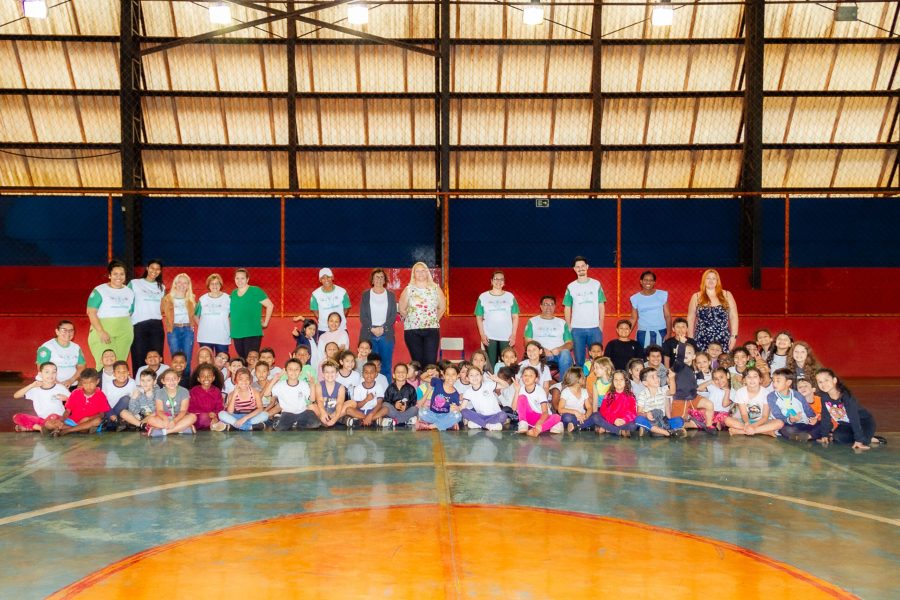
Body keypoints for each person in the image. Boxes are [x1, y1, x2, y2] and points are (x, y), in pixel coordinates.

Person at [815, 369, 886, 449]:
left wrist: (859, 440)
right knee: (838, 437)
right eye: (820, 382)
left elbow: (854, 418)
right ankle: (862, 436)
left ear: (834, 380)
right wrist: (824, 435)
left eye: (826, 380)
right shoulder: (824, 397)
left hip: (863, 422)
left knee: (862, 442)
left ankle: (867, 438)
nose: (823, 384)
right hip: (846, 425)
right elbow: (825, 416)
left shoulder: (846, 397)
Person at [87, 260, 135, 367]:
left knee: (120, 365)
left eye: (122, 274)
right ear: (109, 275)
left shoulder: (129, 292)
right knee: (104, 364)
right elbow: (91, 312)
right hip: (104, 330)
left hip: (124, 332)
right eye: (115, 274)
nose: (119, 277)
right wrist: (101, 331)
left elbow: (130, 312)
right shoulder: (100, 290)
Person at [398, 262, 446, 366]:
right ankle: (420, 382)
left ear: (427, 272)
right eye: (417, 271)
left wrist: (434, 319)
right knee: (417, 363)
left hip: (431, 330)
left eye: (423, 270)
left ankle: (429, 382)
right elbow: (402, 309)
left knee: (430, 362)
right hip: (412, 331)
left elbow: (442, 307)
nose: (420, 273)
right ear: (413, 273)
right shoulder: (408, 289)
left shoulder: (435, 289)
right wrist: (412, 318)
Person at [563, 256, 606, 367]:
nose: (580, 268)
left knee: (597, 360)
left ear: (587, 267)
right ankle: (580, 383)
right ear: (574, 269)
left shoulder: (596, 284)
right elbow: (567, 307)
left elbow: (601, 304)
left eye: (583, 266)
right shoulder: (571, 287)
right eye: (578, 267)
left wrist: (600, 325)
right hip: (577, 329)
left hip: (595, 328)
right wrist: (569, 326)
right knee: (579, 361)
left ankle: (596, 382)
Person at [42, 369, 108, 437]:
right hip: (72, 422)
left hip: (88, 422)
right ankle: (80, 429)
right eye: (85, 383)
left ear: (97, 381)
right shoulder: (75, 393)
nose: (88, 386)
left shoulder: (101, 395)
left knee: (98, 421)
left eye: (91, 382)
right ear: (81, 383)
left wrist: (89, 418)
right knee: (48, 424)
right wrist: (62, 420)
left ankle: (67, 430)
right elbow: (67, 411)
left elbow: (101, 414)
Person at [359, 268, 398, 381]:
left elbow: (393, 314)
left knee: (386, 366)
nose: (379, 279)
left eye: (382, 277)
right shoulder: (366, 295)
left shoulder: (391, 295)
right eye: (377, 277)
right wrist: (372, 328)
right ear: (372, 280)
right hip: (369, 333)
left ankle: (387, 393)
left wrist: (383, 328)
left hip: (386, 334)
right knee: (370, 365)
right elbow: (363, 315)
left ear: (385, 280)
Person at [474, 271, 520, 367]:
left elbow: (515, 317)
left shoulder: (510, 297)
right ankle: (492, 381)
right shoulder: (483, 297)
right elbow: (479, 317)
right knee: (491, 363)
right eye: (496, 279)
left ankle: (506, 381)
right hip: (489, 336)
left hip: (506, 336)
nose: (499, 281)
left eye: (501, 279)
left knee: (507, 363)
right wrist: (482, 335)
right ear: (491, 281)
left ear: (504, 282)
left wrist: (514, 335)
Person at [687, 269, 739, 352]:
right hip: (701, 337)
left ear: (717, 281)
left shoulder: (727, 294)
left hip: (723, 337)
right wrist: (690, 339)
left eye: (714, 278)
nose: (711, 281)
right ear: (704, 280)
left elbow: (733, 317)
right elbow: (690, 318)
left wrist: (734, 336)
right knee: (702, 363)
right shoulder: (696, 296)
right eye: (708, 278)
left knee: (722, 363)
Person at [667, 344, 715, 432]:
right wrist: (681, 344)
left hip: (693, 396)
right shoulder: (678, 366)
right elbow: (679, 359)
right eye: (683, 352)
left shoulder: (691, 369)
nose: (685, 354)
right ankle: (669, 425)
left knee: (709, 404)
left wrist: (700, 374)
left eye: (689, 353)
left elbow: (691, 378)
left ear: (693, 357)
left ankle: (709, 426)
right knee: (676, 423)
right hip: (681, 399)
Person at [128, 260, 165, 371]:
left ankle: (159, 385)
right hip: (139, 325)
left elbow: (163, 308)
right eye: (152, 268)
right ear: (147, 268)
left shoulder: (162, 287)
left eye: (157, 269)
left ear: (160, 271)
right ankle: (139, 384)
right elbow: (128, 303)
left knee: (156, 357)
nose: (154, 271)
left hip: (156, 325)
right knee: (139, 356)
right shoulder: (134, 283)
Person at [524, 295, 574, 377]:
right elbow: (527, 342)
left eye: (551, 304)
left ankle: (564, 386)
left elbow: (570, 343)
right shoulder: (532, 321)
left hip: (558, 355)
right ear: (541, 306)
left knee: (565, 353)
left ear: (554, 306)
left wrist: (559, 349)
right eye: (546, 304)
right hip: (539, 355)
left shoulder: (562, 323)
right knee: (533, 352)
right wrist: (542, 350)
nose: (548, 307)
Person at [229, 268, 274, 359]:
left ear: (247, 279)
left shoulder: (255, 291)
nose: (239, 281)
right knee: (242, 360)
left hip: (252, 332)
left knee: (251, 360)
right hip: (237, 333)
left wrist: (265, 323)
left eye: (242, 278)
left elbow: (270, 305)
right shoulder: (233, 293)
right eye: (237, 278)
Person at [12, 362, 69, 432]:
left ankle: (34, 428)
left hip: (57, 418)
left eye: (53, 372)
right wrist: (31, 385)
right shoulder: (35, 389)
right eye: (47, 372)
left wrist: (67, 399)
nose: (50, 375)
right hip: (41, 420)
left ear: (56, 374)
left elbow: (75, 401)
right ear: (40, 374)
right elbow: (16, 395)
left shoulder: (60, 388)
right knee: (17, 417)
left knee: (53, 416)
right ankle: (41, 428)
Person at [725, 368, 782, 437]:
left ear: (760, 379)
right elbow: (743, 413)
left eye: (755, 376)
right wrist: (747, 423)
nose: (752, 379)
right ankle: (764, 432)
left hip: (761, 422)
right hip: (745, 421)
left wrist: (753, 426)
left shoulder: (766, 393)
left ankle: (741, 431)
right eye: (749, 377)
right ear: (744, 380)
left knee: (779, 423)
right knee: (727, 420)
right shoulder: (740, 392)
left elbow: (765, 416)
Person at [267, 359, 321, 431]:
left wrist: (312, 385)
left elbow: (312, 400)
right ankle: (278, 417)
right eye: (290, 369)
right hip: (288, 412)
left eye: (296, 369)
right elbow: (266, 394)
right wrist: (274, 379)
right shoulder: (280, 385)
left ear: (300, 372)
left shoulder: (303, 384)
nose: (293, 372)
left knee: (316, 424)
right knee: (279, 428)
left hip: (303, 412)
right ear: (286, 372)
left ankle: (296, 422)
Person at [161, 273, 197, 377]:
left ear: (188, 285)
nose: (182, 285)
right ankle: (175, 381)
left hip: (187, 330)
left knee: (187, 357)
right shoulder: (167, 298)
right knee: (175, 358)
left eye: (185, 283)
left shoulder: (191, 299)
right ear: (175, 284)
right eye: (179, 282)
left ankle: (186, 383)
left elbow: (195, 314)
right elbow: (161, 311)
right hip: (173, 329)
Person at [767, 368, 819, 441]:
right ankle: (812, 435)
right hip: (788, 425)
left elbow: (807, 409)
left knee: (822, 424)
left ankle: (806, 436)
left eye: (778, 381)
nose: (774, 384)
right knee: (787, 430)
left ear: (788, 383)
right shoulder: (771, 397)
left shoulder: (797, 395)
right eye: (773, 381)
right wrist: (790, 420)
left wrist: (813, 418)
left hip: (804, 423)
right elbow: (777, 415)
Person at [635, 368, 685, 438]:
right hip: (650, 420)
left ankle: (654, 430)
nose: (657, 378)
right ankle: (667, 433)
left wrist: (672, 378)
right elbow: (639, 412)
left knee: (680, 420)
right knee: (639, 419)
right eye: (652, 377)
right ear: (645, 383)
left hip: (662, 420)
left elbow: (672, 392)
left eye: (657, 376)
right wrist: (646, 414)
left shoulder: (663, 390)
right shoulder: (643, 394)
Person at [513, 367, 563, 436]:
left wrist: (539, 424)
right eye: (525, 375)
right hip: (528, 418)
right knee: (522, 397)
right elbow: (513, 408)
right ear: (521, 377)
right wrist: (516, 391)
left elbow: (545, 412)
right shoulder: (520, 389)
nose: (527, 377)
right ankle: (523, 424)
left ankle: (537, 430)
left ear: (536, 379)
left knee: (557, 417)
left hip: (541, 417)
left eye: (531, 375)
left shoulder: (540, 391)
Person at [146, 369, 197, 436]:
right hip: (164, 418)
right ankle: (181, 429)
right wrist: (165, 419)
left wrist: (174, 421)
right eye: (168, 379)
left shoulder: (184, 391)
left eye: (174, 379)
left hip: (179, 417)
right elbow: (159, 410)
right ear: (163, 381)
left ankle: (165, 432)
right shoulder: (159, 392)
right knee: (150, 419)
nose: (171, 381)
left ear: (178, 379)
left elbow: (183, 410)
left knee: (193, 417)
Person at [35, 320, 85, 389]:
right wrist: (57, 383)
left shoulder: (76, 347)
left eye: (71, 330)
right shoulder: (47, 347)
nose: (68, 333)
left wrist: (71, 380)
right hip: (49, 384)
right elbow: (41, 367)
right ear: (57, 331)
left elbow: (82, 367)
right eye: (64, 330)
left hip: (71, 385)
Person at [459, 364, 509, 431]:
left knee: (503, 415)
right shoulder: (468, 392)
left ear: (481, 376)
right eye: (471, 375)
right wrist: (458, 409)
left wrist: (497, 379)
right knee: (464, 412)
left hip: (495, 415)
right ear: (467, 378)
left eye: (477, 374)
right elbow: (462, 407)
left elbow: (506, 385)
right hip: (481, 416)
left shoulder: (488, 385)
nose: (474, 377)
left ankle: (480, 424)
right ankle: (488, 425)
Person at [629, 270, 671, 348]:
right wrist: (626, 332)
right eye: (645, 280)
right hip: (643, 332)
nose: (648, 282)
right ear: (641, 281)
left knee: (660, 356)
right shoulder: (635, 298)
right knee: (644, 356)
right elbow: (633, 318)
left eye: (651, 280)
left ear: (654, 282)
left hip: (661, 331)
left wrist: (669, 333)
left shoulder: (662, 295)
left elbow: (667, 316)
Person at [219, 367, 269, 431]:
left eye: (247, 379)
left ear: (250, 381)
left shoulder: (255, 392)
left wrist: (245, 418)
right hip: (236, 416)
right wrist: (234, 394)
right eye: (240, 379)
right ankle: (250, 427)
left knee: (265, 415)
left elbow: (260, 408)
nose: (244, 382)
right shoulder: (231, 394)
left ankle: (235, 426)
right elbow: (230, 412)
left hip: (250, 416)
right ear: (235, 381)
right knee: (221, 414)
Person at [417, 364, 464, 431]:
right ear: (443, 375)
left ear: (457, 376)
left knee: (458, 415)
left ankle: (434, 425)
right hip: (432, 414)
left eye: (453, 374)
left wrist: (455, 409)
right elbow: (422, 377)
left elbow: (454, 410)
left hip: (445, 415)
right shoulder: (437, 381)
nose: (450, 377)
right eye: (448, 374)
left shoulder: (456, 394)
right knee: (421, 411)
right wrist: (428, 373)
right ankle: (445, 424)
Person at [372, 363, 419, 427]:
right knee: (385, 405)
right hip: (393, 412)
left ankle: (394, 421)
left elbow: (413, 402)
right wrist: (394, 405)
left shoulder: (411, 388)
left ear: (407, 375)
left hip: (405, 411)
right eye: (398, 372)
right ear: (394, 375)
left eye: (403, 372)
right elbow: (386, 401)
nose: (401, 374)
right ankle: (404, 420)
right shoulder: (390, 388)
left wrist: (406, 406)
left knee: (415, 409)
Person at [557, 367, 602, 433]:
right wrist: (575, 412)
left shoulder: (584, 391)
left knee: (597, 415)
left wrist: (586, 416)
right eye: (583, 377)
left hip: (582, 416)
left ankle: (576, 426)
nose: (585, 378)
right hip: (572, 416)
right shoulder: (566, 392)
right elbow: (560, 409)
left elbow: (589, 407)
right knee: (566, 417)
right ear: (577, 379)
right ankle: (584, 426)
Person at [195, 273, 231, 355]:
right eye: (212, 283)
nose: (214, 285)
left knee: (222, 361)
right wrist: (202, 326)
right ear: (208, 285)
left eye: (217, 283)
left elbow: (231, 316)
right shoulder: (202, 299)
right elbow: (195, 315)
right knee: (206, 363)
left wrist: (229, 331)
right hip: (205, 337)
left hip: (222, 337)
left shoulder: (228, 299)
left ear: (220, 285)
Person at [309, 268, 351, 337]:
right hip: (323, 328)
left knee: (342, 348)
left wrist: (337, 320)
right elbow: (315, 311)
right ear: (320, 280)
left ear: (332, 277)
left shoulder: (342, 292)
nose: (326, 280)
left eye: (328, 277)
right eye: (323, 278)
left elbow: (346, 308)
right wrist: (325, 321)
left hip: (341, 328)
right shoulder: (315, 294)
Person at [597, 370, 640, 437]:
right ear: (612, 382)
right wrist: (614, 420)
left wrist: (624, 420)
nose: (618, 382)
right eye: (616, 380)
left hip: (623, 422)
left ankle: (608, 429)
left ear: (625, 381)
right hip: (611, 421)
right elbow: (604, 410)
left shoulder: (630, 396)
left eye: (621, 379)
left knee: (633, 426)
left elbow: (632, 412)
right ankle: (618, 431)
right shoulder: (609, 394)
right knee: (595, 416)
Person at [345, 362, 386, 428]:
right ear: (363, 374)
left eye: (371, 372)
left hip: (373, 410)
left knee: (385, 409)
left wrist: (371, 414)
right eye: (366, 372)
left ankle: (364, 420)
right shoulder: (358, 388)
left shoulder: (379, 386)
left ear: (376, 374)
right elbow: (357, 406)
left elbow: (379, 404)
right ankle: (372, 420)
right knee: (348, 410)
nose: (369, 375)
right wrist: (366, 400)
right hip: (360, 412)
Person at [189, 363, 225, 431]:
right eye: (203, 376)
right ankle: (213, 425)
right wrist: (207, 414)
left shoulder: (216, 391)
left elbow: (220, 407)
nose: (206, 378)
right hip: (199, 417)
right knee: (203, 417)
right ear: (198, 379)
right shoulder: (194, 391)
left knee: (223, 415)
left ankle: (214, 424)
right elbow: (191, 408)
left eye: (209, 376)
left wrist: (215, 415)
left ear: (213, 378)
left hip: (213, 416)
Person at [316, 360, 348, 428]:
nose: (330, 374)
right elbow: (320, 401)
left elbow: (339, 403)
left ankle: (331, 419)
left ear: (337, 374)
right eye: (327, 372)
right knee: (311, 406)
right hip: (322, 411)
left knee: (352, 403)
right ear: (323, 374)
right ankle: (326, 418)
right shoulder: (319, 385)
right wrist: (323, 412)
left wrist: (335, 417)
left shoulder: (341, 387)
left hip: (335, 412)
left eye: (332, 372)